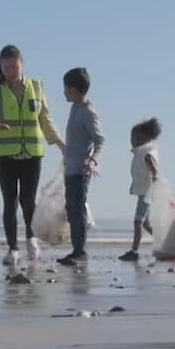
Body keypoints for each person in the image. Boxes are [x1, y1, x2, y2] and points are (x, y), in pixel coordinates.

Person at [0, 44, 66, 266]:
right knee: (9, 201)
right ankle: (12, 249)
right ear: (0, 67)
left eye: (14, 66)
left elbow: (45, 118)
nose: (10, 71)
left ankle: (31, 241)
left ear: (22, 64)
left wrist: (59, 142)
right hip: (4, 153)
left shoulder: (36, 87)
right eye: (6, 67)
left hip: (32, 153)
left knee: (28, 201)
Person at [58, 67, 105, 267]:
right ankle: (77, 248)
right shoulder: (74, 108)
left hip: (82, 170)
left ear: (75, 90)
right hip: (70, 168)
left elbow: (100, 140)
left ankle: (80, 251)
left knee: (77, 209)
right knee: (70, 208)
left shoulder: (88, 111)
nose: (63, 92)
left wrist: (93, 160)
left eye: (66, 89)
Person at [121, 118, 160, 262]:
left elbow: (152, 164)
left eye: (134, 137)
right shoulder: (141, 152)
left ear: (144, 138)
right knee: (145, 223)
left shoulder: (147, 153)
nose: (131, 140)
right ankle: (163, 240)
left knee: (138, 221)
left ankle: (134, 251)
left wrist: (155, 175)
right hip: (144, 191)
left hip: (147, 192)